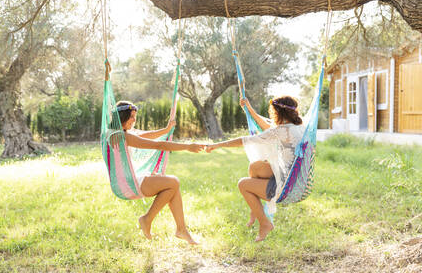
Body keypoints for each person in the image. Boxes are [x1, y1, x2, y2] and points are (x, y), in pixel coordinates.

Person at [206, 96, 304, 242]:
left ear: (279, 113)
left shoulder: (283, 131)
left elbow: (246, 140)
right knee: (255, 166)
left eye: (273, 112)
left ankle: (264, 223)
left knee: (243, 184)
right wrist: (249, 108)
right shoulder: (298, 127)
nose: (272, 115)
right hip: (293, 177)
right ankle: (255, 209)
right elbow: (268, 126)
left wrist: (218, 145)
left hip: (286, 186)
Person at [112, 101, 205, 245]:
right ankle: (148, 219)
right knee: (172, 182)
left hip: (128, 180)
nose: (134, 120)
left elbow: (148, 135)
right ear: (122, 117)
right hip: (126, 183)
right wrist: (188, 146)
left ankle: (181, 230)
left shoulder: (124, 133)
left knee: (172, 186)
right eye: (132, 117)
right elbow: (158, 145)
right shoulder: (119, 136)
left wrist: (166, 129)